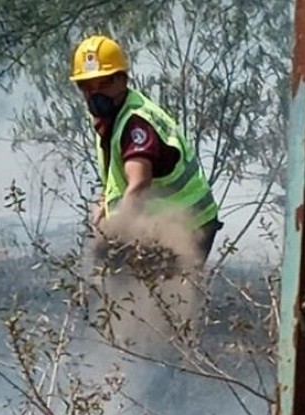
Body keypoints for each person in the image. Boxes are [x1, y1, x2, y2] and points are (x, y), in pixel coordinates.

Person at [69, 34, 223, 269]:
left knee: (164, 295)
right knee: (131, 283)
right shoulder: (113, 117)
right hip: (164, 220)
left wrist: (114, 233)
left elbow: (139, 184)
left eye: (104, 83)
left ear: (122, 79)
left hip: (187, 224)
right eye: (87, 87)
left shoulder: (135, 124)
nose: (96, 94)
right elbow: (118, 176)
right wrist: (104, 203)